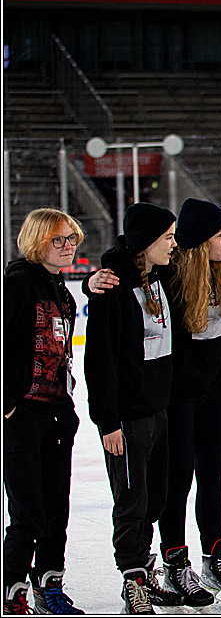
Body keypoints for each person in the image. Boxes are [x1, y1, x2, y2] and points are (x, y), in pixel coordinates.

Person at [85, 199, 221, 608]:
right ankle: (167, 566)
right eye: (218, 234)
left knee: (198, 482)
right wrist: (98, 276)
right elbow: (127, 263)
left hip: (201, 394)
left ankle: (211, 557)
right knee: (162, 489)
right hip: (169, 400)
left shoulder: (220, 270)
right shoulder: (167, 274)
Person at [84, 202, 183, 614]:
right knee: (132, 501)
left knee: (155, 499)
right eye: (167, 238)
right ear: (145, 243)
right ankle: (133, 582)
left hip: (160, 408)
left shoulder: (161, 274)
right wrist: (107, 421)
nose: (174, 245)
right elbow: (99, 359)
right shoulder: (112, 287)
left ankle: (145, 571)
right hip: (127, 415)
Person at [4, 209, 85, 615]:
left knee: (57, 509)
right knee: (28, 513)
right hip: (23, 417)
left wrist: (67, 408)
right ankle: (13, 587)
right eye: (59, 239)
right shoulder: (16, 284)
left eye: (72, 239)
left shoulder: (64, 292)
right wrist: (8, 405)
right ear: (37, 240)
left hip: (56, 413)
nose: (68, 246)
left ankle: (49, 582)